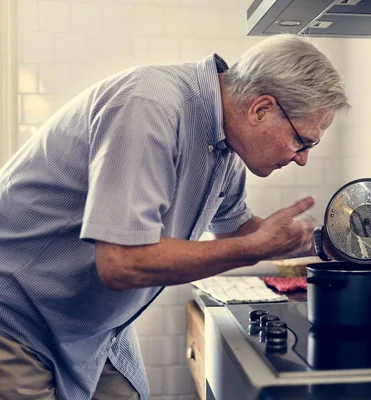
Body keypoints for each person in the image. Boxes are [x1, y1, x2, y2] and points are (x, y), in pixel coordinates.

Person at [0, 34, 349, 399]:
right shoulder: (149, 107)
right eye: (302, 142)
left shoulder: (224, 141)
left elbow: (237, 230)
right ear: (261, 109)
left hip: (86, 329)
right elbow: (122, 262)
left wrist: (326, 243)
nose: (302, 158)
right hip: (19, 322)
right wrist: (251, 249)